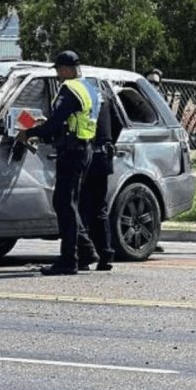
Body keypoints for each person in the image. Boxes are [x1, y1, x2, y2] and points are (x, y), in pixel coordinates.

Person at [17, 50, 99, 275]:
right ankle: (86, 251)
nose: (57, 75)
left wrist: (30, 132)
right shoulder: (89, 88)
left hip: (72, 151)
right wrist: (50, 125)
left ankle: (68, 260)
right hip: (85, 148)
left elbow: (55, 124)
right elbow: (71, 119)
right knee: (69, 202)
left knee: (64, 204)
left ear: (66, 69)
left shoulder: (69, 89)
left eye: (58, 70)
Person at [78, 89, 120, 271]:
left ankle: (84, 256)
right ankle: (106, 255)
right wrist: (108, 141)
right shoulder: (105, 95)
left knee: (82, 207)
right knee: (100, 208)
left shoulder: (78, 94)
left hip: (86, 154)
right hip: (104, 155)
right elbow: (118, 122)